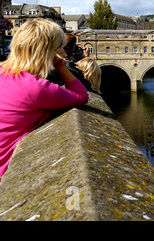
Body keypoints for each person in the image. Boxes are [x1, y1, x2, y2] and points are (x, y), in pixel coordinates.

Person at [0, 19, 89, 180]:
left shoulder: (2, 71)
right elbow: (82, 96)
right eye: (60, 47)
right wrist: (61, 66)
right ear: (50, 52)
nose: (64, 52)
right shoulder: (35, 88)